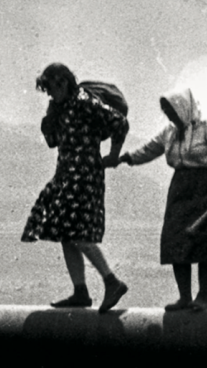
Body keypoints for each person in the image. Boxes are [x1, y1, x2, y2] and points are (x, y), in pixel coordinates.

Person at [117, 87, 207, 311]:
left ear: (184, 108)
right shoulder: (169, 133)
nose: (170, 116)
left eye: (172, 111)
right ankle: (184, 297)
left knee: (205, 243)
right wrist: (126, 158)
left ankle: (203, 297)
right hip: (181, 190)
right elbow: (150, 149)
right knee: (176, 240)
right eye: (167, 112)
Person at [21, 62, 129, 313]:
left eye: (54, 86)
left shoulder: (83, 101)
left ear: (65, 82)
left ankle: (112, 282)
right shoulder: (59, 108)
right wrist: (48, 122)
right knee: (65, 233)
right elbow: (53, 141)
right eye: (47, 88)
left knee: (78, 232)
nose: (51, 92)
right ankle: (80, 291)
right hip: (66, 175)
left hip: (84, 176)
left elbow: (119, 123)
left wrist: (113, 155)